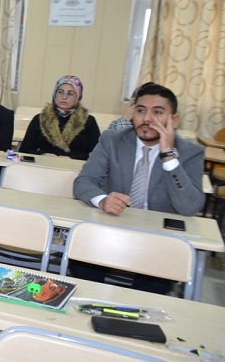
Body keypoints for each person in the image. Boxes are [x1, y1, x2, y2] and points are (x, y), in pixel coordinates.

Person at [72, 83, 204, 294]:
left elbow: (189, 207)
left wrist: (169, 156)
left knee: (152, 287)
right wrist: (103, 200)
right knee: (81, 264)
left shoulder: (190, 152)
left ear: (174, 119)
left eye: (158, 112)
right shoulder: (112, 140)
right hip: (112, 232)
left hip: (156, 242)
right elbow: (84, 181)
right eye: (141, 110)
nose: (147, 119)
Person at [19, 75, 100, 160]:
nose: (64, 97)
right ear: (55, 94)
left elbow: (96, 156)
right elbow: (24, 151)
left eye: (70, 94)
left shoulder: (88, 121)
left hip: (75, 169)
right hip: (44, 166)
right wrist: (42, 155)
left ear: (78, 97)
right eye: (60, 92)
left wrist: (71, 158)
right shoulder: (41, 119)